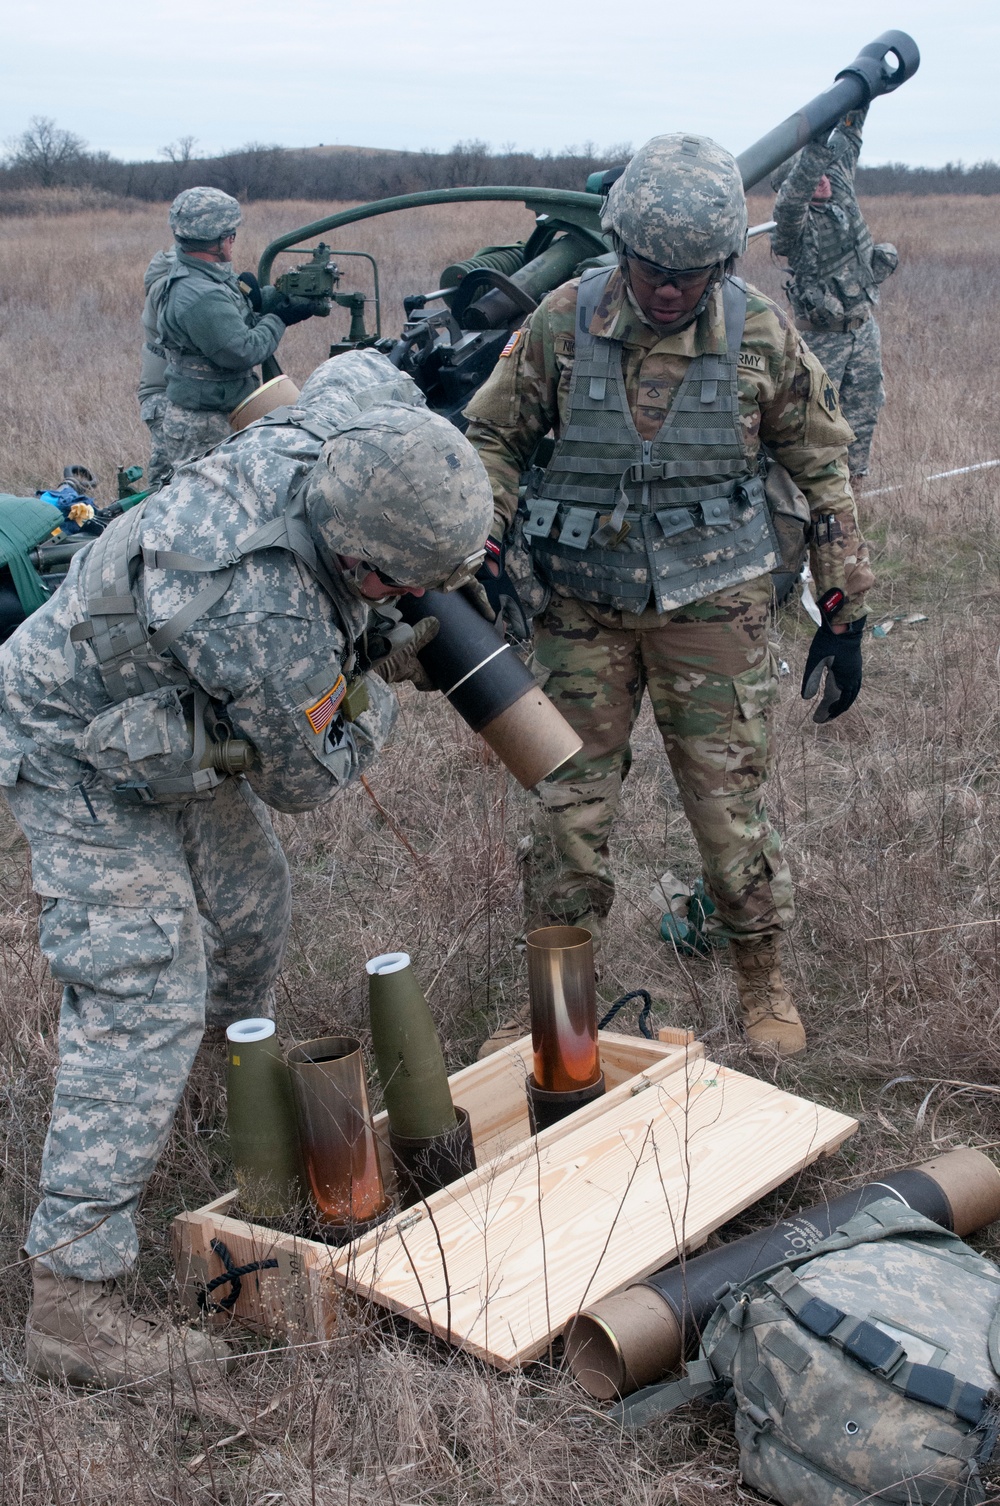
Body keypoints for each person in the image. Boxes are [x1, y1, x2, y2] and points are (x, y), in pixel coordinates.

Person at [0, 350, 493, 1387]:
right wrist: (383, 684)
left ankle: (227, 1111)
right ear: (360, 568)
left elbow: (368, 367)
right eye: (401, 588)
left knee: (248, 909)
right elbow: (308, 777)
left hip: (177, 720)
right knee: (145, 980)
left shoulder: (340, 436)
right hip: (75, 741)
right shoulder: (259, 612)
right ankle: (71, 1299)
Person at [465, 133, 873, 1059]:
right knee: (567, 809)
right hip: (582, 605)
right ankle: (557, 1003)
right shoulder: (561, 322)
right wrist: (485, 535)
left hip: (714, 601)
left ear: (723, 261)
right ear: (621, 245)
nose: (668, 290)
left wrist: (845, 603)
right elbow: (490, 436)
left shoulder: (761, 332)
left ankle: (762, 976)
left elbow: (823, 464)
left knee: (727, 806)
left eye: (692, 274)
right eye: (652, 268)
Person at [154, 186, 324, 482]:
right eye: (230, 234)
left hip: (217, 411)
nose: (234, 240)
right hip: (205, 423)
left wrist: (279, 298)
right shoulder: (199, 294)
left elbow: (235, 312)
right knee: (207, 504)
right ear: (217, 240)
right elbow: (242, 350)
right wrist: (278, 319)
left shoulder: (205, 275)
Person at [770, 108, 898, 485]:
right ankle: (815, 492)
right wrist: (813, 149)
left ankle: (855, 486)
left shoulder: (840, 192)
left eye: (826, 173)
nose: (823, 180)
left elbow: (850, 139)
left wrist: (860, 98)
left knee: (864, 409)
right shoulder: (792, 226)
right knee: (818, 421)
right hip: (822, 341)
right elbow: (793, 197)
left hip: (862, 330)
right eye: (814, 176)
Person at [137, 245, 175, 489]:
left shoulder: (169, 284)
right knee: (164, 474)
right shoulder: (167, 290)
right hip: (162, 394)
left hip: (166, 389)